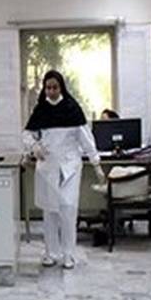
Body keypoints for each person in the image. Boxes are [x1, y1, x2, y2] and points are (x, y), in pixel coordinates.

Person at [24, 70, 105, 269]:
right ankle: (51, 253)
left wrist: (96, 164)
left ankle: (69, 254)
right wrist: (34, 147)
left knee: (68, 208)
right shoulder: (41, 110)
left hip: (70, 166)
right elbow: (26, 134)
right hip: (47, 167)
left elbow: (86, 139)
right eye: (48, 87)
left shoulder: (72, 109)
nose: (51, 91)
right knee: (49, 211)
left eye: (55, 87)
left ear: (61, 87)